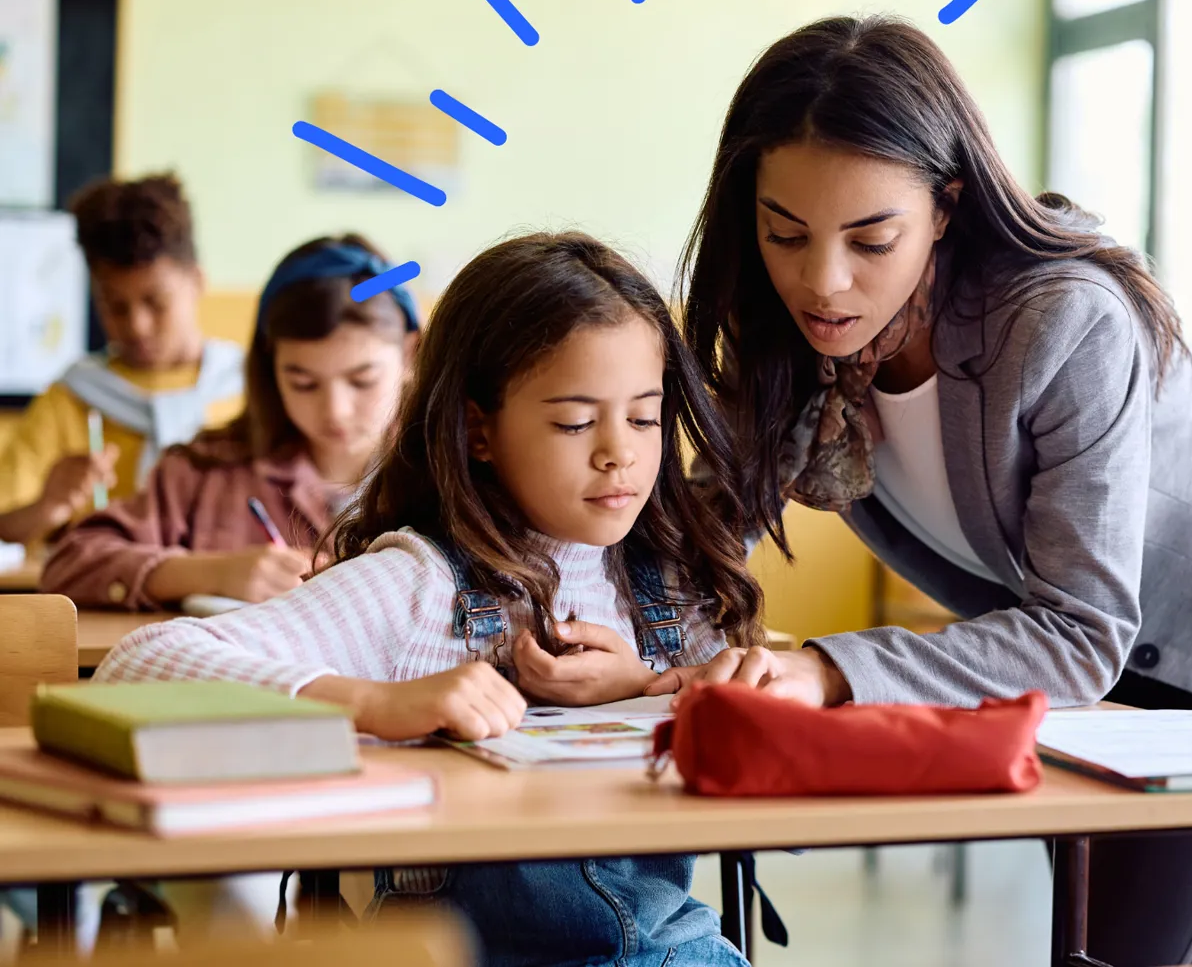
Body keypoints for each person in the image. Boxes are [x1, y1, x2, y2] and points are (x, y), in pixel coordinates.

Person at [663, 15, 1192, 967]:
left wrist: (827, 669)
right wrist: (626, 642)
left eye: (871, 238)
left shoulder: (1060, 321)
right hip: (1092, 673)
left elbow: (1084, 631)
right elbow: (699, 544)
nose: (824, 281)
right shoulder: (789, 338)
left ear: (946, 207)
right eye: (785, 233)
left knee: (1119, 952)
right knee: (1092, 941)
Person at [99, 233, 761, 967]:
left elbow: (762, 741)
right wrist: (374, 704)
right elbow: (139, 663)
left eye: (643, 417)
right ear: (480, 430)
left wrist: (647, 685)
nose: (620, 452)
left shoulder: (670, 586)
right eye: (575, 422)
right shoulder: (420, 583)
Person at [42, 235, 418, 611]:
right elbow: (70, 563)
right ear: (270, 370)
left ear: (409, 355)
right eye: (303, 383)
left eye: (362, 380)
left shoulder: (446, 475)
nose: (335, 410)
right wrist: (212, 573)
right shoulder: (205, 470)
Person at [0, 173, 244, 544]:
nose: (137, 326)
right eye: (115, 306)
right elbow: (5, 527)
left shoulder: (250, 388)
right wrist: (48, 506)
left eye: (156, 302)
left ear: (197, 281)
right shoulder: (70, 399)